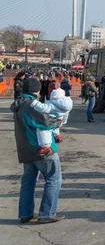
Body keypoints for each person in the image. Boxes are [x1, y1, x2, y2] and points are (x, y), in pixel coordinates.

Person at [11, 78, 64, 224]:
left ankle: (25, 213)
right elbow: (44, 122)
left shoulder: (19, 104)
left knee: (28, 181)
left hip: (25, 150)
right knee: (53, 178)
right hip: (41, 149)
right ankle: (46, 213)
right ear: (37, 90)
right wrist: (59, 122)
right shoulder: (31, 105)